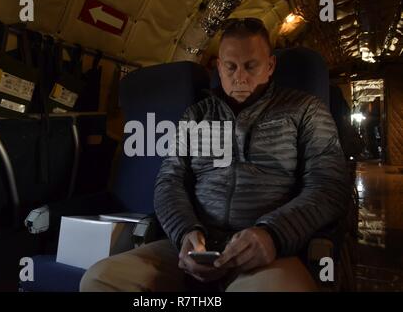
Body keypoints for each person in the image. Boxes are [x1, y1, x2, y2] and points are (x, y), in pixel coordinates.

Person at [80, 18, 350, 292]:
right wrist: (185, 231)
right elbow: (169, 181)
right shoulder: (197, 116)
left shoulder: (306, 110)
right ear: (219, 68)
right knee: (99, 279)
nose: (240, 77)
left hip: (269, 252)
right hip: (197, 245)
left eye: (251, 66)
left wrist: (273, 234)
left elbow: (329, 186)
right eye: (230, 67)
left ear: (270, 66)